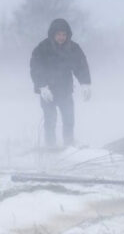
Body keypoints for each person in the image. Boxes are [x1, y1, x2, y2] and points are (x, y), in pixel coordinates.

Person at [30, 18, 91, 149]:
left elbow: (81, 65)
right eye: (58, 34)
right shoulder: (42, 48)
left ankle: (69, 145)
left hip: (65, 90)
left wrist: (85, 83)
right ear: (52, 34)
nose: (61, 37)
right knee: (50, 120)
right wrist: (42, 87)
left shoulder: (73, 48)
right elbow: (35, 68)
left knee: (69, 119)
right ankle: (50, 146)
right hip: (48, 92)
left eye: (64, 34)